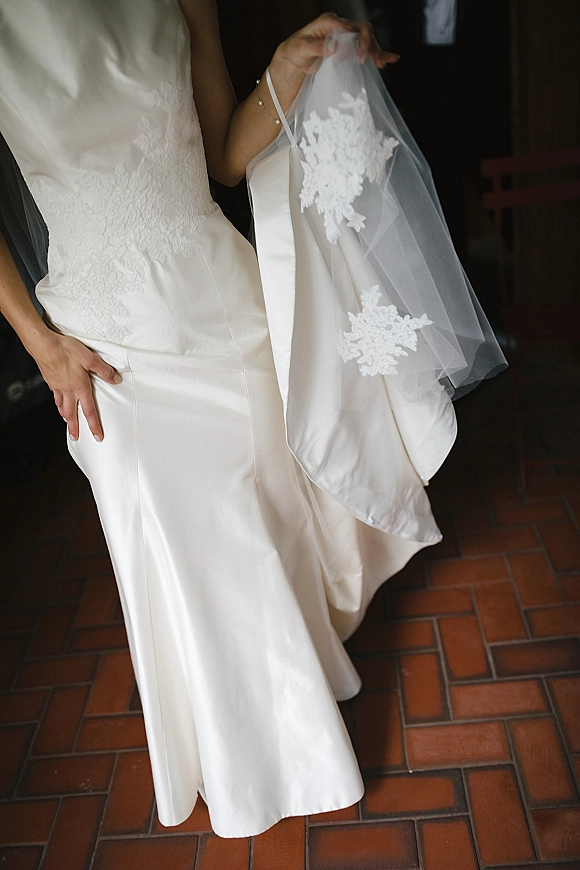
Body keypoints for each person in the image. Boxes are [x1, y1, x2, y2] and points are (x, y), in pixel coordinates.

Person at [0, 0, 501, 839]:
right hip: (108, 342)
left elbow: (225, 158)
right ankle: (260, 762)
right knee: (190, 543)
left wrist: (290, 65)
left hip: (220, 299)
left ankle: (299, 692)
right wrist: (41, 345)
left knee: (264, 513)